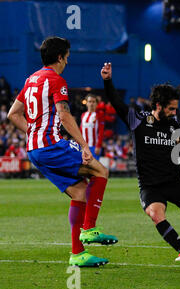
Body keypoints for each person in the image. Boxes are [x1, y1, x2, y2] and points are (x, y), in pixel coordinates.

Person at [7, 37, 117, 267]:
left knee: (80, 193)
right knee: (101, 171)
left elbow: (13, 114)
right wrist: (85, 146)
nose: (68, 60)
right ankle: (89, 229)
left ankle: (78, 254)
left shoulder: (30, 80)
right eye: (67, 55)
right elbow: (65, 116)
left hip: (35, 150)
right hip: (51, 146)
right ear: (60, 56)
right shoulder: (56, 80)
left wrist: (34, 132)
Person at [101, 62, 180, 261]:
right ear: (158, 106)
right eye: (171, 109)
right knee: (155, 213)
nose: (175, 112)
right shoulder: (138, 120)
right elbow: (117, 103)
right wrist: (107, 81)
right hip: (150, 185)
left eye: (176, 109)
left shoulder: (176, 124)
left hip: (174, 183)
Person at [80, 93, 105, 160]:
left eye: (93, 102)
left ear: (96, 104)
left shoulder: (99, 115)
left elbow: (101, 131)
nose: (91, 104)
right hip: (84, 147)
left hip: (94, 147)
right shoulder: (83, 115)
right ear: (86, 103)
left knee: (94, 169)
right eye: (90, 101)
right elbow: (80, 131)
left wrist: (98, 146)